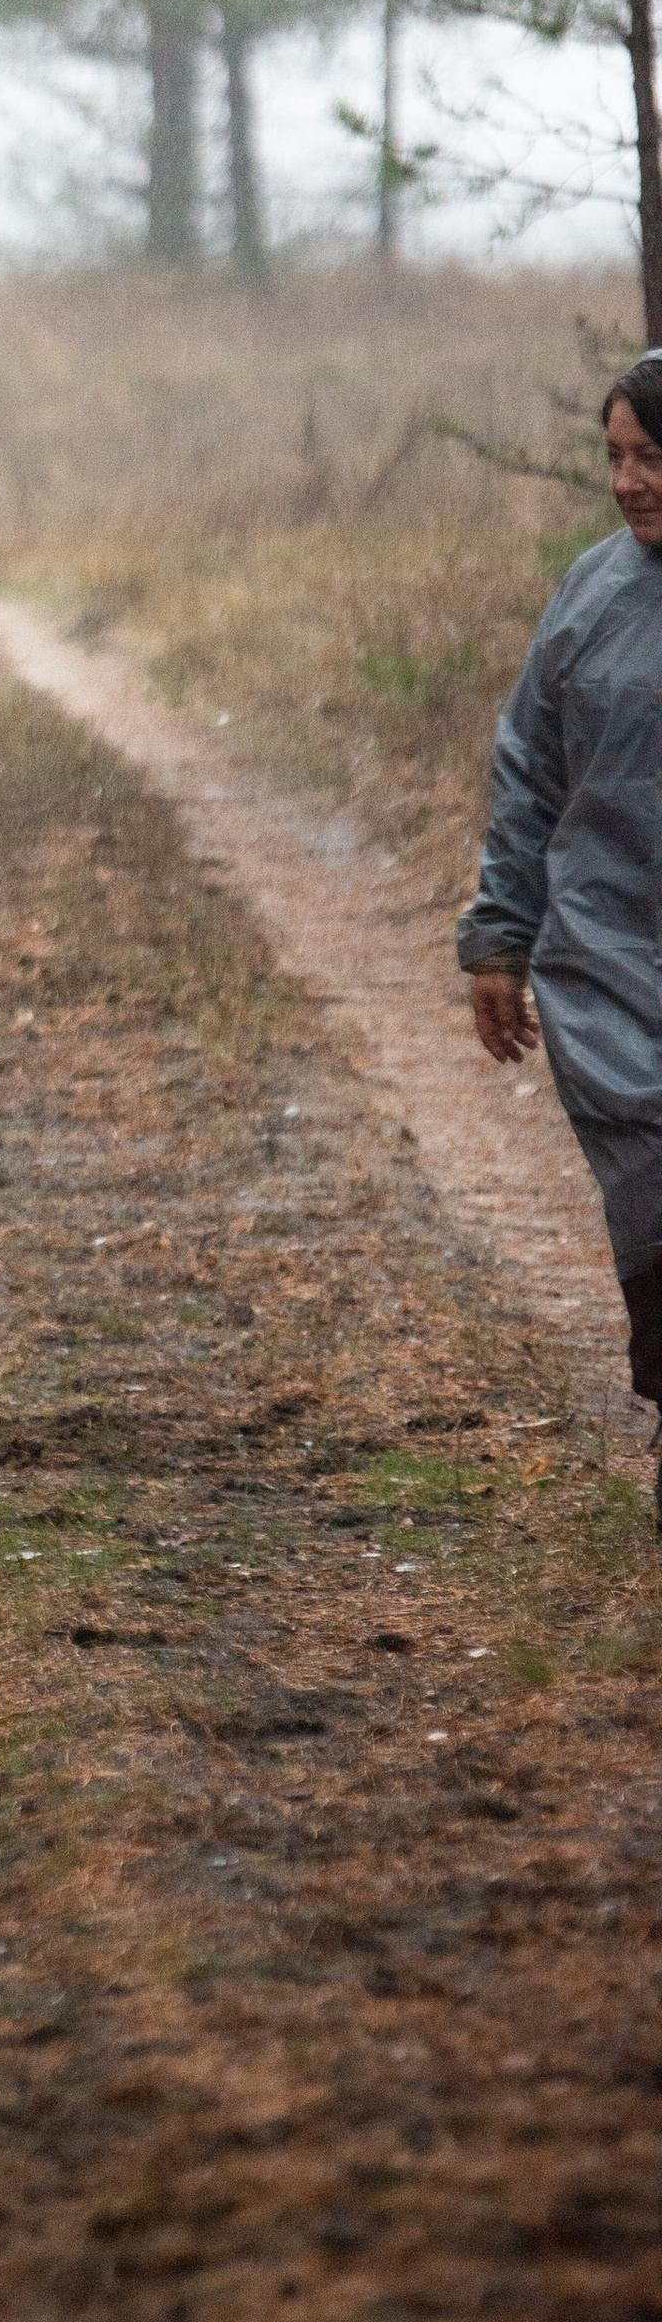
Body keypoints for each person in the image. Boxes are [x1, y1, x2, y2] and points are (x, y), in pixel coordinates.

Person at [463, 348, 662, 1512]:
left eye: (650, 455)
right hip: (606, 963)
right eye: (614, 457)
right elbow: (528, 772)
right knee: (650, 1185)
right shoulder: (590, 595)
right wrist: (496, 938)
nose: (628, 482)